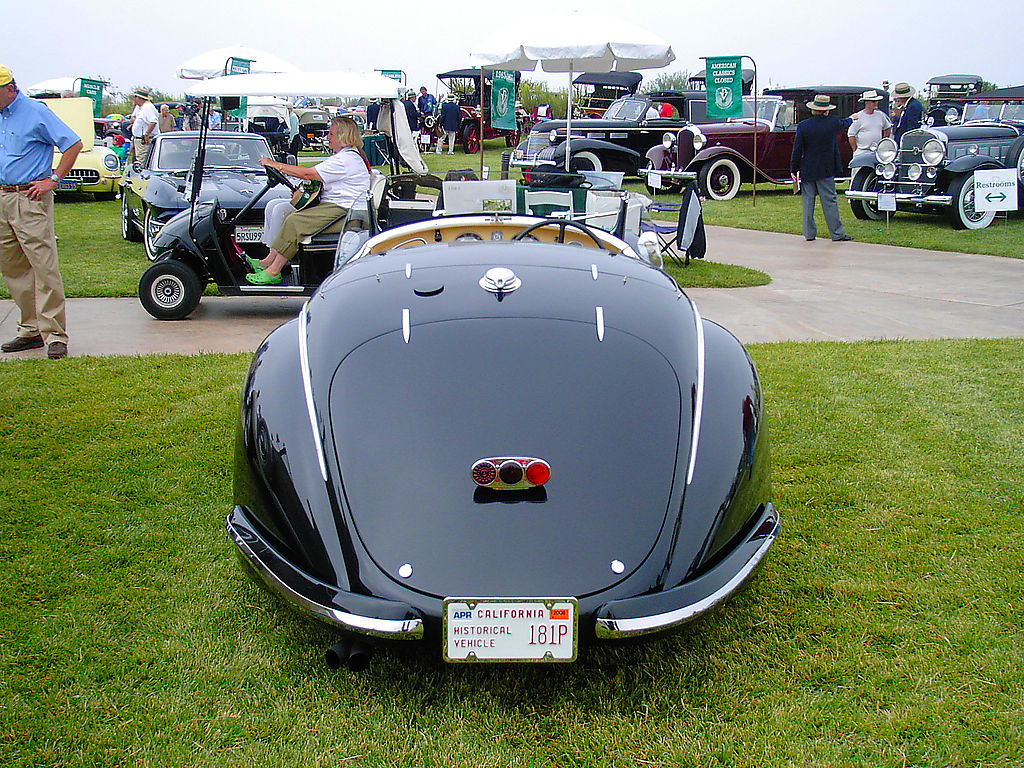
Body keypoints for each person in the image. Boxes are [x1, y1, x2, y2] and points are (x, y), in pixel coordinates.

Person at [0, 65, 82, 359]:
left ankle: (55, 335)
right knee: (13, 268)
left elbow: (73, 143)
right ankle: (30, 330)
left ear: (10, 88)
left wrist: (54, 179)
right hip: (3, 196)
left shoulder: (36, 111)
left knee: (43, 267)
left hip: (30, 198)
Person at [247, 116, 370, 285]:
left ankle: (274, 271)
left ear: (343, 136)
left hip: (345, 211)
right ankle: (268, 261)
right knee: (283, 211)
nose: (328, 137)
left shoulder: (346, 160)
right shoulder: (345, 156)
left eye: (331, 134)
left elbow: (307, 174)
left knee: (295, 221)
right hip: (337, 205)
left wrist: (276, 165)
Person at [790, 94, 854, 242]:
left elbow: (797, 149)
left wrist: (794, 168)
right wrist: (853, 118)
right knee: (830, 201)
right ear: (827, 110)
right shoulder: (832, 122)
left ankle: (809, 233)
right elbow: (845, 123)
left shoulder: (803, 126)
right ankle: (837, 233)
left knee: (808, 202)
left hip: (808, 168)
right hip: (826, 169)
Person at [847, 90, 892, 161]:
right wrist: (855, 150)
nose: (876, 103)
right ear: (866, 102)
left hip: (877, 152)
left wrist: (883, 142)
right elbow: (851, 135)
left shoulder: (881, 115)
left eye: (876, 101)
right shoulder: (858, 116)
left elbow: (888, 128)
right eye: (873, 101)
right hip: (862, 152)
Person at [128, 87, 159, 165]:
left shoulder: (147, 107)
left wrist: (146, 134)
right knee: (138, 160)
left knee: (142, 161)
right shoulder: (141, 107)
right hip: (139, 140)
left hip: (144, 141)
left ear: (139, 98)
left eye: (135, 97)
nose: (134, 99)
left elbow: (153, 121)